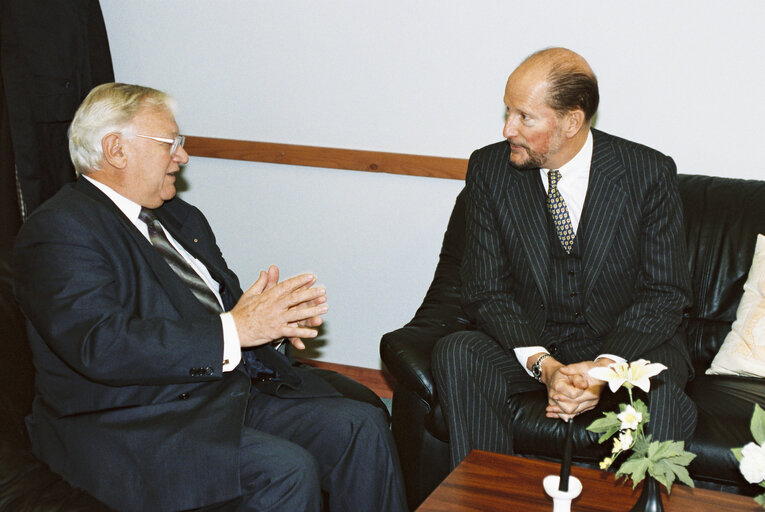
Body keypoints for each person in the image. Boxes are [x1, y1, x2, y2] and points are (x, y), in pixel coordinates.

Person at [13, 83, 406, 512]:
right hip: (132, 424)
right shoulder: (60, 230)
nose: (182, 157)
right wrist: (238, 328)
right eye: (170, 143)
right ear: (116, 150)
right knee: (286, 471)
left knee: (360, 425)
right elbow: (103, 345)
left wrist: (270, 326)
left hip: (218, 396)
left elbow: (228, 316)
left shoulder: (181, 217)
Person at [432, 47, 698, 468]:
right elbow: (485, 290)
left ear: (572, 120)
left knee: (659, 394)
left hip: (626, 342)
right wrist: (547, 367)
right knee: (458, 352)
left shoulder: (647, 173)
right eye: (507, 112)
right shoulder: (489, 169)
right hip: (536, 341)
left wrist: (603, 370)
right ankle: (488, 496)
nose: (507, 129)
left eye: (524, 117)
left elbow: (665, 294)